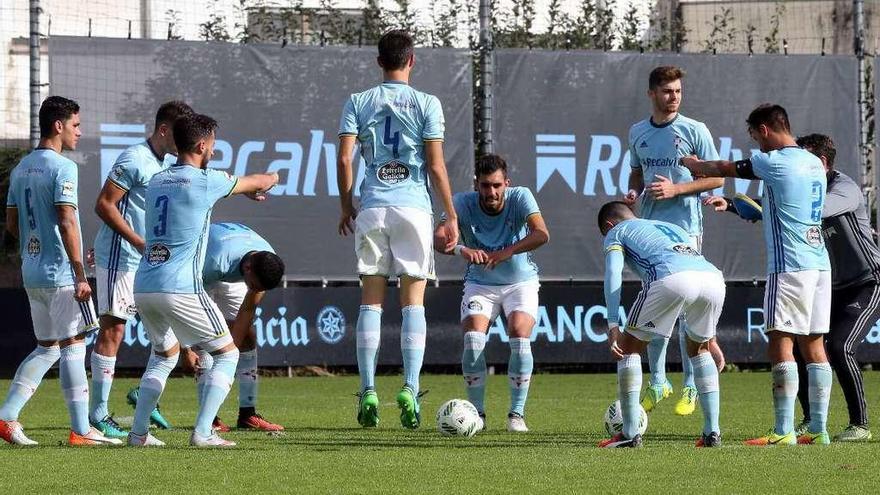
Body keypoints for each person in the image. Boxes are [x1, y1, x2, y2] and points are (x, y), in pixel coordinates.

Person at [704, 133, 877, 442]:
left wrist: (762, 207)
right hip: (833, 283)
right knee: (803, 345)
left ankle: (860, 424)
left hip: (869, 281)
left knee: (839, 346)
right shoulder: (809, 187)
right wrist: (733, 204)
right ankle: (812, 424)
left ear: (822, 163)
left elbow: (808, 211)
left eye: (805, 160)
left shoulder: (845, 187)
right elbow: (789, 208)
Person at [682, 104, 833, 446]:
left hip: (789, 264)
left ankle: (783, 431)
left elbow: (724, 168)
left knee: (781, 342)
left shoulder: (772, 161)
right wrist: (735, 206)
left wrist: (694, 165)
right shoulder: (813, 162)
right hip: (819, 262)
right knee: (814, 344)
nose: (755, 143)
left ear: (764, 130)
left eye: (753, 135)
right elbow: (778, 206)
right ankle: (818, 429)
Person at [127, 113, 279, 447]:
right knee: (227, 354)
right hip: (180, 286)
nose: (213, 150)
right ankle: (204, 432)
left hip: (145, 285)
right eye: (212, 144)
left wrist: (240, 191)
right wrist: (272, 177)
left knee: (163, 356)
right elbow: (255, 181)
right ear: (200, 144)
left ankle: (138, 434)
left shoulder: (157, 180)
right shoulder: (205, 180)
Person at [337, 29, 458, 429]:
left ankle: (368, 389)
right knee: (413, 305)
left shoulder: (358, 101)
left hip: (372, 207)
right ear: (412, 60)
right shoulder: (427, 103)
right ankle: (409, 386)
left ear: (378, 62)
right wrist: (451, 215)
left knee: (370, 304)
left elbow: (343, 159)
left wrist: (345, 205)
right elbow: (437, 166)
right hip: (413, 209)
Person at [0, 96, 119, 446]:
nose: (79, 132)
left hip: (32, 272)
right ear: (58, 125)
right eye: (76, 125)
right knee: (73, 345)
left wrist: (34, 245)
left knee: (47, 347)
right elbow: (67, 220)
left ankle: (7, 417)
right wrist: (80, 273)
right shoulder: (63, 167)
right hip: (61, 274)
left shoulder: (21, 168)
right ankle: (81, 431)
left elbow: (11, 224)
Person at [624, 66, 725, 416]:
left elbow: (716, 181)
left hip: (686, 229)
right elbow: (637, 170)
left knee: (687, 309)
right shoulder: (638, 131)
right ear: (652, 93)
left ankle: (690, 387)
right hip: (650, 231)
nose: (674, 97)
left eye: (678, 91)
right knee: (655, 309)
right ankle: (658, 382)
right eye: (667, 91)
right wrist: (634, 190)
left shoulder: (695, 130)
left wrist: (677, 189)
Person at [90, 101, 193, 437]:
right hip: (120, 257)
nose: (183, 143)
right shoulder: (134, 158)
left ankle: (144, 397)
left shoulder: (165, 164)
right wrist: (136, 240)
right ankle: (99, 415)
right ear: (164, 130)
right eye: (179, 135)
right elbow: (104, 204)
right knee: (113, 330)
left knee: (165, 335)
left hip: (150, 263)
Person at [434, 154, 549, 432]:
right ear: (477, 185)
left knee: (519, 333)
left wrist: (505, 252)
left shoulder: (521, 197)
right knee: (473, 338)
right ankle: (478, 415)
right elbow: (438, 239)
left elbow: (541, 233)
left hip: (520, 281)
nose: (492, 192)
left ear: (506, 183)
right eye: (486, 186)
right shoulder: (462, 202)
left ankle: (516, 415)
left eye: (497, 185)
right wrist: (463, 249)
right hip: (480, 284)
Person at [597, 202, 725, 448]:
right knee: (699, 350)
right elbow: (693, 268)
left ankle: (629, 434)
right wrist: (712, 338)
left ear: (609, 225)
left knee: (627, 349)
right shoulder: (670, 226)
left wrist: (613, 324)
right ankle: (712, 433)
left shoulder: (616, 231)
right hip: (713, 279)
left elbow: (613, 273)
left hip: (670, 277)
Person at [196, 222, 286, 432]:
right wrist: (189, 348)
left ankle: (247, 415)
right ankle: (209, 419)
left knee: (247, 339)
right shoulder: (213, 261)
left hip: (232, 266)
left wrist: (228, 358)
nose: (255, 290)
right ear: (247, 270)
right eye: (254, 286)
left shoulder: (266, 261)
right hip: (199, 270)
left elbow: (246, 311)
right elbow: (187, 300)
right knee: (206, 340)